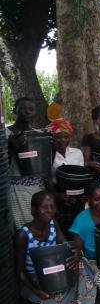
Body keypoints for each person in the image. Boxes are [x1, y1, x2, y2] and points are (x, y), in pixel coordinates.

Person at [15, 191, 96, 304]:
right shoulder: (23, 235)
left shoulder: (53, 224)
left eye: (52, 207)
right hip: (36, 278)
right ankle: (67, 303)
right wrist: (36, 290)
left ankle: (76, 303)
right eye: (44, 207)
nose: (50, 211)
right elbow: (20, 270)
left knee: (81, 262)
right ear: (33, 210)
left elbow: (66, 248)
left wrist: (78, 254)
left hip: (55, 274)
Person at [7, 97, 47, 228]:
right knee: (22, 227)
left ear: (35, 112)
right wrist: (11, 147)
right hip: (16, 187)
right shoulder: (5, 134)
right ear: (15, 110)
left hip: (37, 186)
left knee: (39, 223)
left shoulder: (38, 134)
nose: (27, 112)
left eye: (31, 109)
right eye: (23, 108)